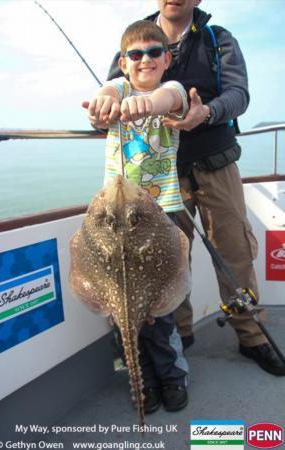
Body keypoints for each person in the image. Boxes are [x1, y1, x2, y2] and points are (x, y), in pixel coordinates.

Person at [105, 0, 285, 376]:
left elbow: (239, 94)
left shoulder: (219, 40)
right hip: (158, 179)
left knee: (235, 250)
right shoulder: (135, 41)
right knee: (171, 261)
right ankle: (180, 333)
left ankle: (251, 334)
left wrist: (208, 113)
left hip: (216, 161)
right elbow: (111, 92)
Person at [87, 19, 191, 413]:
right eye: (135, 54)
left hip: (160, 217)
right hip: (116, 221)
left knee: (159, 316)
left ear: (167, 58)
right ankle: (141, 381)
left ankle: (173, 378)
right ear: (123, 62)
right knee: (121, 315)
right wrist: (104, 102)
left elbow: (168, 98)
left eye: (153, 53)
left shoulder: (173, 89)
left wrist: (145, 104)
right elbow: (109, 90)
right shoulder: (118, 90)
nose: (145, 59)